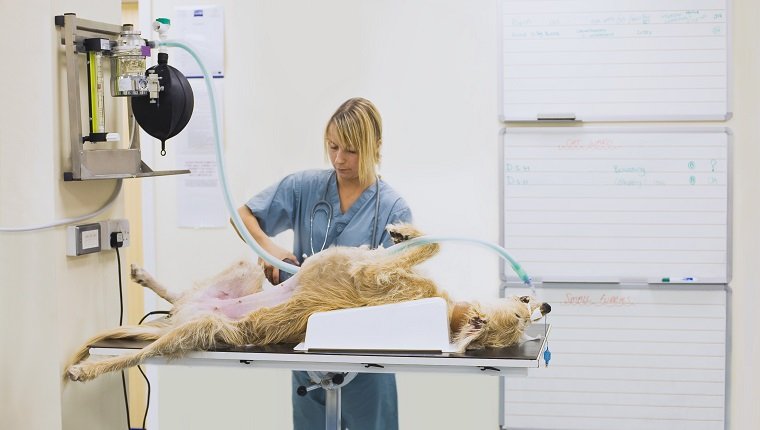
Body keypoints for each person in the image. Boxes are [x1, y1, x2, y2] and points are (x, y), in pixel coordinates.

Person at [236, 97, 411, 429]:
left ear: (376, 146)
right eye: (332, 147)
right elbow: (243, 215)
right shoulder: (305, 188)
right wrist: (269, 249)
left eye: (351, 150)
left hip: (367, 358)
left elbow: (399, 288)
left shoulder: (393, 210)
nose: (339, 159)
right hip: (308, 347)